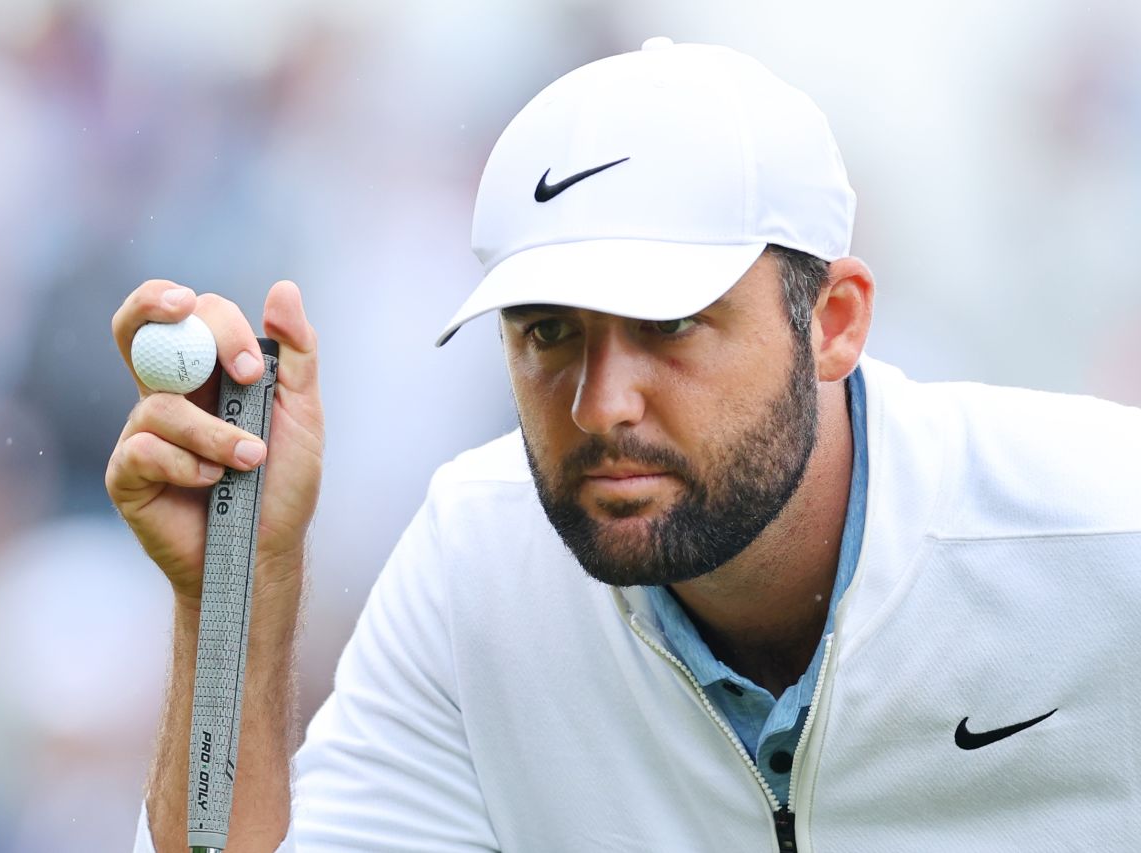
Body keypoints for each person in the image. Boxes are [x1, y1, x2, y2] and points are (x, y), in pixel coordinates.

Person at [110, 39, 1141, 853]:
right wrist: (233, 591)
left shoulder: (1105, 531)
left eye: (671, 324)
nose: (602, 404)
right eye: (549, 331)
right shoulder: (475, 563)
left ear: (832, 323)